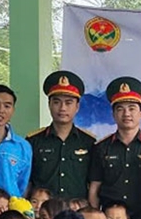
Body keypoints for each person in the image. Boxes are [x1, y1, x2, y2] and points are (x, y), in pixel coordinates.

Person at [89, 76, 141, 219]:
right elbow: (94, 188)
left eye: (132, 108)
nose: (126, 114)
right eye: (120, 109)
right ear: (113, 114)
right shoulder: (101, 148)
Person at [27, 71, 96, 200]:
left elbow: (94, 184)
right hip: (43, 210)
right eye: (57, 102)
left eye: (68, 103)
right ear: (49, 105)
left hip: (77, 209)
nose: (62, 108)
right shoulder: (33, 141)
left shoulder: (89, 142)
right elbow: (27, 182)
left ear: (77, 107)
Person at [0, 84, 32, 198]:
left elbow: (22, 184)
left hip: (10, 207)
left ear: (13, 110)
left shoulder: (22, 147)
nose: (0, 110)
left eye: (7, 106)